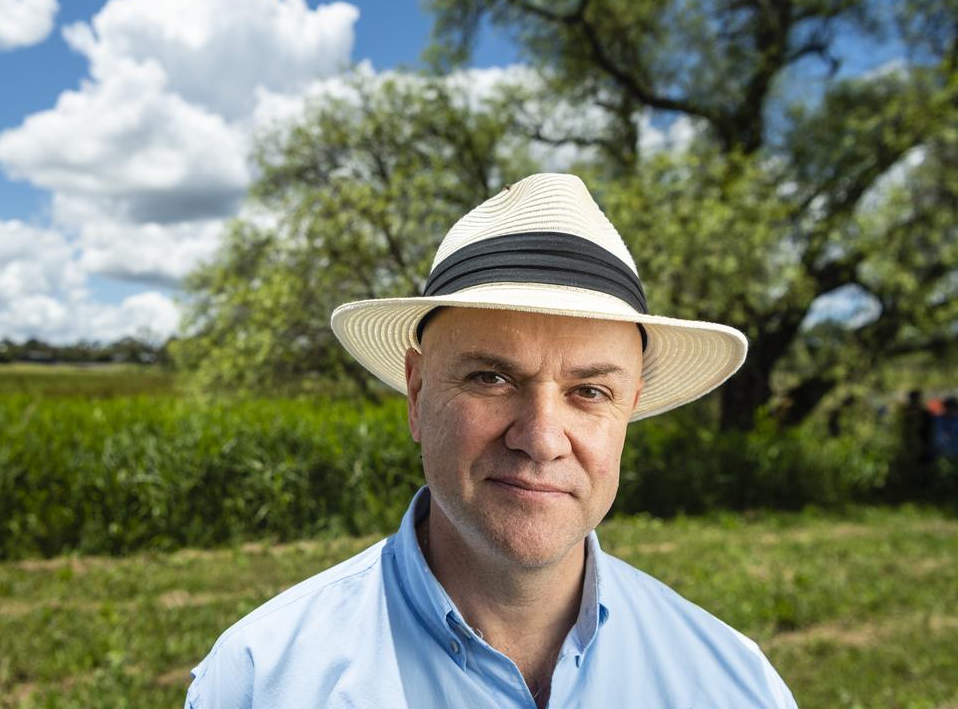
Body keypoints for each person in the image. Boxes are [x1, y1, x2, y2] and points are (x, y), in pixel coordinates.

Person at [186, 174, 797, 708]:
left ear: (629, 411)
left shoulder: (736, 684)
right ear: (418, 392)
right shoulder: (260, 682)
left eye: (589, 392)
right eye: (492, 378)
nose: (540, 438)